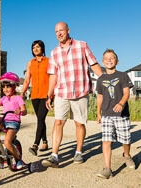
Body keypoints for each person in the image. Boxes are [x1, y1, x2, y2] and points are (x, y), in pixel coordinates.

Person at [42, 22, 103, 168]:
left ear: (68, 31)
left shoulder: (82, 45)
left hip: (80, 91)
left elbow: (93, 64)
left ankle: (79, 152)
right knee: (58, 122)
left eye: (61, 30)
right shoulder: (54, 52)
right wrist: (49, 94)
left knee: (79, 123)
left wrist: (104, 80)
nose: (59, 33)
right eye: (56, 31)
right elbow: (53, 75)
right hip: (61, 92)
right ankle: (54, 156)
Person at [96, 49, 135, 179]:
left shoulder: (123, 75)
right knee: (106, 140)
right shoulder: (101, 79)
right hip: (107, 114)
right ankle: (107, 168)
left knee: (125, 139)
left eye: (112, 58)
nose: (109, 60)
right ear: (102, 62)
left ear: (117, 61)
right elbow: (100, 97)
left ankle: (127, 156)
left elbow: (126, 93)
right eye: (106, 58)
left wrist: (121, 103)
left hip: (121, 114)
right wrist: (98, 112)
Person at [21, 40, 50, 156]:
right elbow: (27, 80)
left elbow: (53, 77)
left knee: (41, 118)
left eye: (38, 47)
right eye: (33, 48)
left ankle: (35, 145)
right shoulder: (30, 63)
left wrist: (52, 94)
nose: (36, 49)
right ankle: (45, 142)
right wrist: (22, 93)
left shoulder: (49, 61)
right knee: (40, 119)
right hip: (34, 95)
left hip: (46, 95)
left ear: (42, 48)